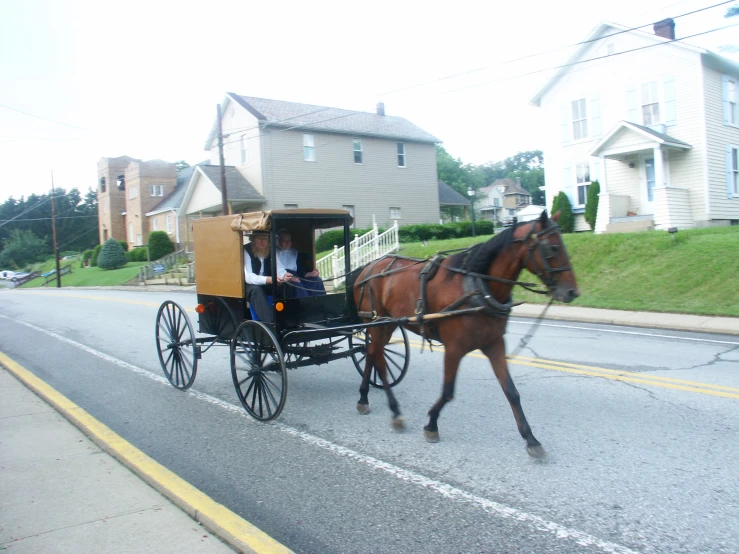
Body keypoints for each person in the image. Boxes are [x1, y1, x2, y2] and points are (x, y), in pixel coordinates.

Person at [243, 230, 280, 322]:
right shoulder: (246, 251)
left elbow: (280, 268)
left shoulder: (271, 250)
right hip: (249, 284)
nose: (263, 242)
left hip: (267, 282)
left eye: (266, 239)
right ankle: (269, 322)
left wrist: (285, 275)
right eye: (260, 238)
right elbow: (248, 277)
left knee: (285, 285)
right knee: (256, 290)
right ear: (253, 239)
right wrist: (268, 279)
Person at [276, 229, 326, 298]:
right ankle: (305, 305)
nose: (287, 242)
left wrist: (311, 274)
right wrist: (288, 277)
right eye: (284, 241)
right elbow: (276, 270)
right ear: (278, 241)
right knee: (296, 283)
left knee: (317, 280)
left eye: (289, 240)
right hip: (284, 279)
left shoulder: (295, 252)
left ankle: (320, 302)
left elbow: (301, 272)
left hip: (297, 277)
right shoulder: (274, 252)